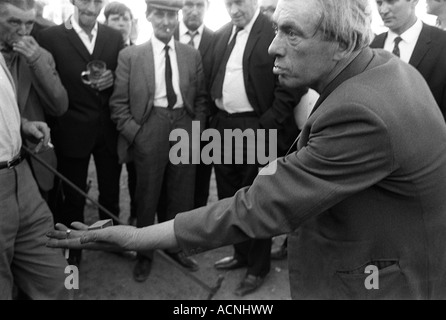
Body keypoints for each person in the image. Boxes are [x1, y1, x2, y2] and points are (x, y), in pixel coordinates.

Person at [48, 0, 446, 300]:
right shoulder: (383, 68)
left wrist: (137, 237)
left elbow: (258, 207)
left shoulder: (361, 113)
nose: (273, 47)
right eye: (275, 29)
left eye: (291, 32)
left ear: (341, 43)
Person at [208, 0, 303, 297]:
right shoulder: (222, 34)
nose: (235, 9)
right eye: (229, 4)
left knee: (257, 199)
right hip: (223, 127)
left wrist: (268, 124)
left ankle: (258, 267)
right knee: (228, 196)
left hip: (258, 127)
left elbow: (292, 83)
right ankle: (241, 254)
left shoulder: (274, 31)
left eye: (240, 3)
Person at [109, 0, 208, 283]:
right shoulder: (131, 55)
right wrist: (137, 134)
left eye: (171, 15)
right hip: (149, 126)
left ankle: (175, 248)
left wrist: (196, 130)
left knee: (181, 192)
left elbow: (200, 99)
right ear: (149, 16)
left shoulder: (191, 54)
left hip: (184, 125)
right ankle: (144, 253)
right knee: (147, 194)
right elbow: (118, 105)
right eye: (160, 14)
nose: (166, 21)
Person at [37, 0, 124, 267]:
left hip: (107, 129)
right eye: (85, 0)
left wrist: (113, 79)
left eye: (98, 1)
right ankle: (72, 252)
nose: (91, 6)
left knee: (110, 192)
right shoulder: (49, 37)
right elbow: (46, 83)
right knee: (72, 197)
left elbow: (123, 77)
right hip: (70, 130)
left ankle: (112, 241)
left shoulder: (114, 36)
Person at [0, 51, 68, 300]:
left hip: (22, 173)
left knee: (60, 278)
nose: (23, 29)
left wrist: (23, 124)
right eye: (14, 20)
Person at [0, 0, 68, 201]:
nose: (23, 31)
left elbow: (60, 106)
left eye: (29, 23)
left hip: (36, 161)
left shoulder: (40, 55)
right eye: (14, 22)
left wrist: (36, 61)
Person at [371, 0, 446, 119]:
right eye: (379, 3)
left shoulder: (442, 43)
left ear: (414, 1)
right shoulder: (372, 46)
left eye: (391, 2)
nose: (383, 10)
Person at [174, 0, 215, 209]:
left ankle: (196, 234)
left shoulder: (217, 39)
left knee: (200, 182)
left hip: (205, 126)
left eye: (200, 4)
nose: (194, 10)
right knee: (170, 182)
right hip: (171, 125)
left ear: (207, 8)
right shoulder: (165, 34)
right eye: (189, 4)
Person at [103, 1, 138, 227]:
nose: (122, 23)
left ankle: (135, 215)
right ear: (105, 23)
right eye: (116, 19)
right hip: (107, 126)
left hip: (133, 125)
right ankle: (109, 224)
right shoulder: (101, 51)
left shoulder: (139, 50)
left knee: (137, 175)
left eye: (126, 19)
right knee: (109, 180)